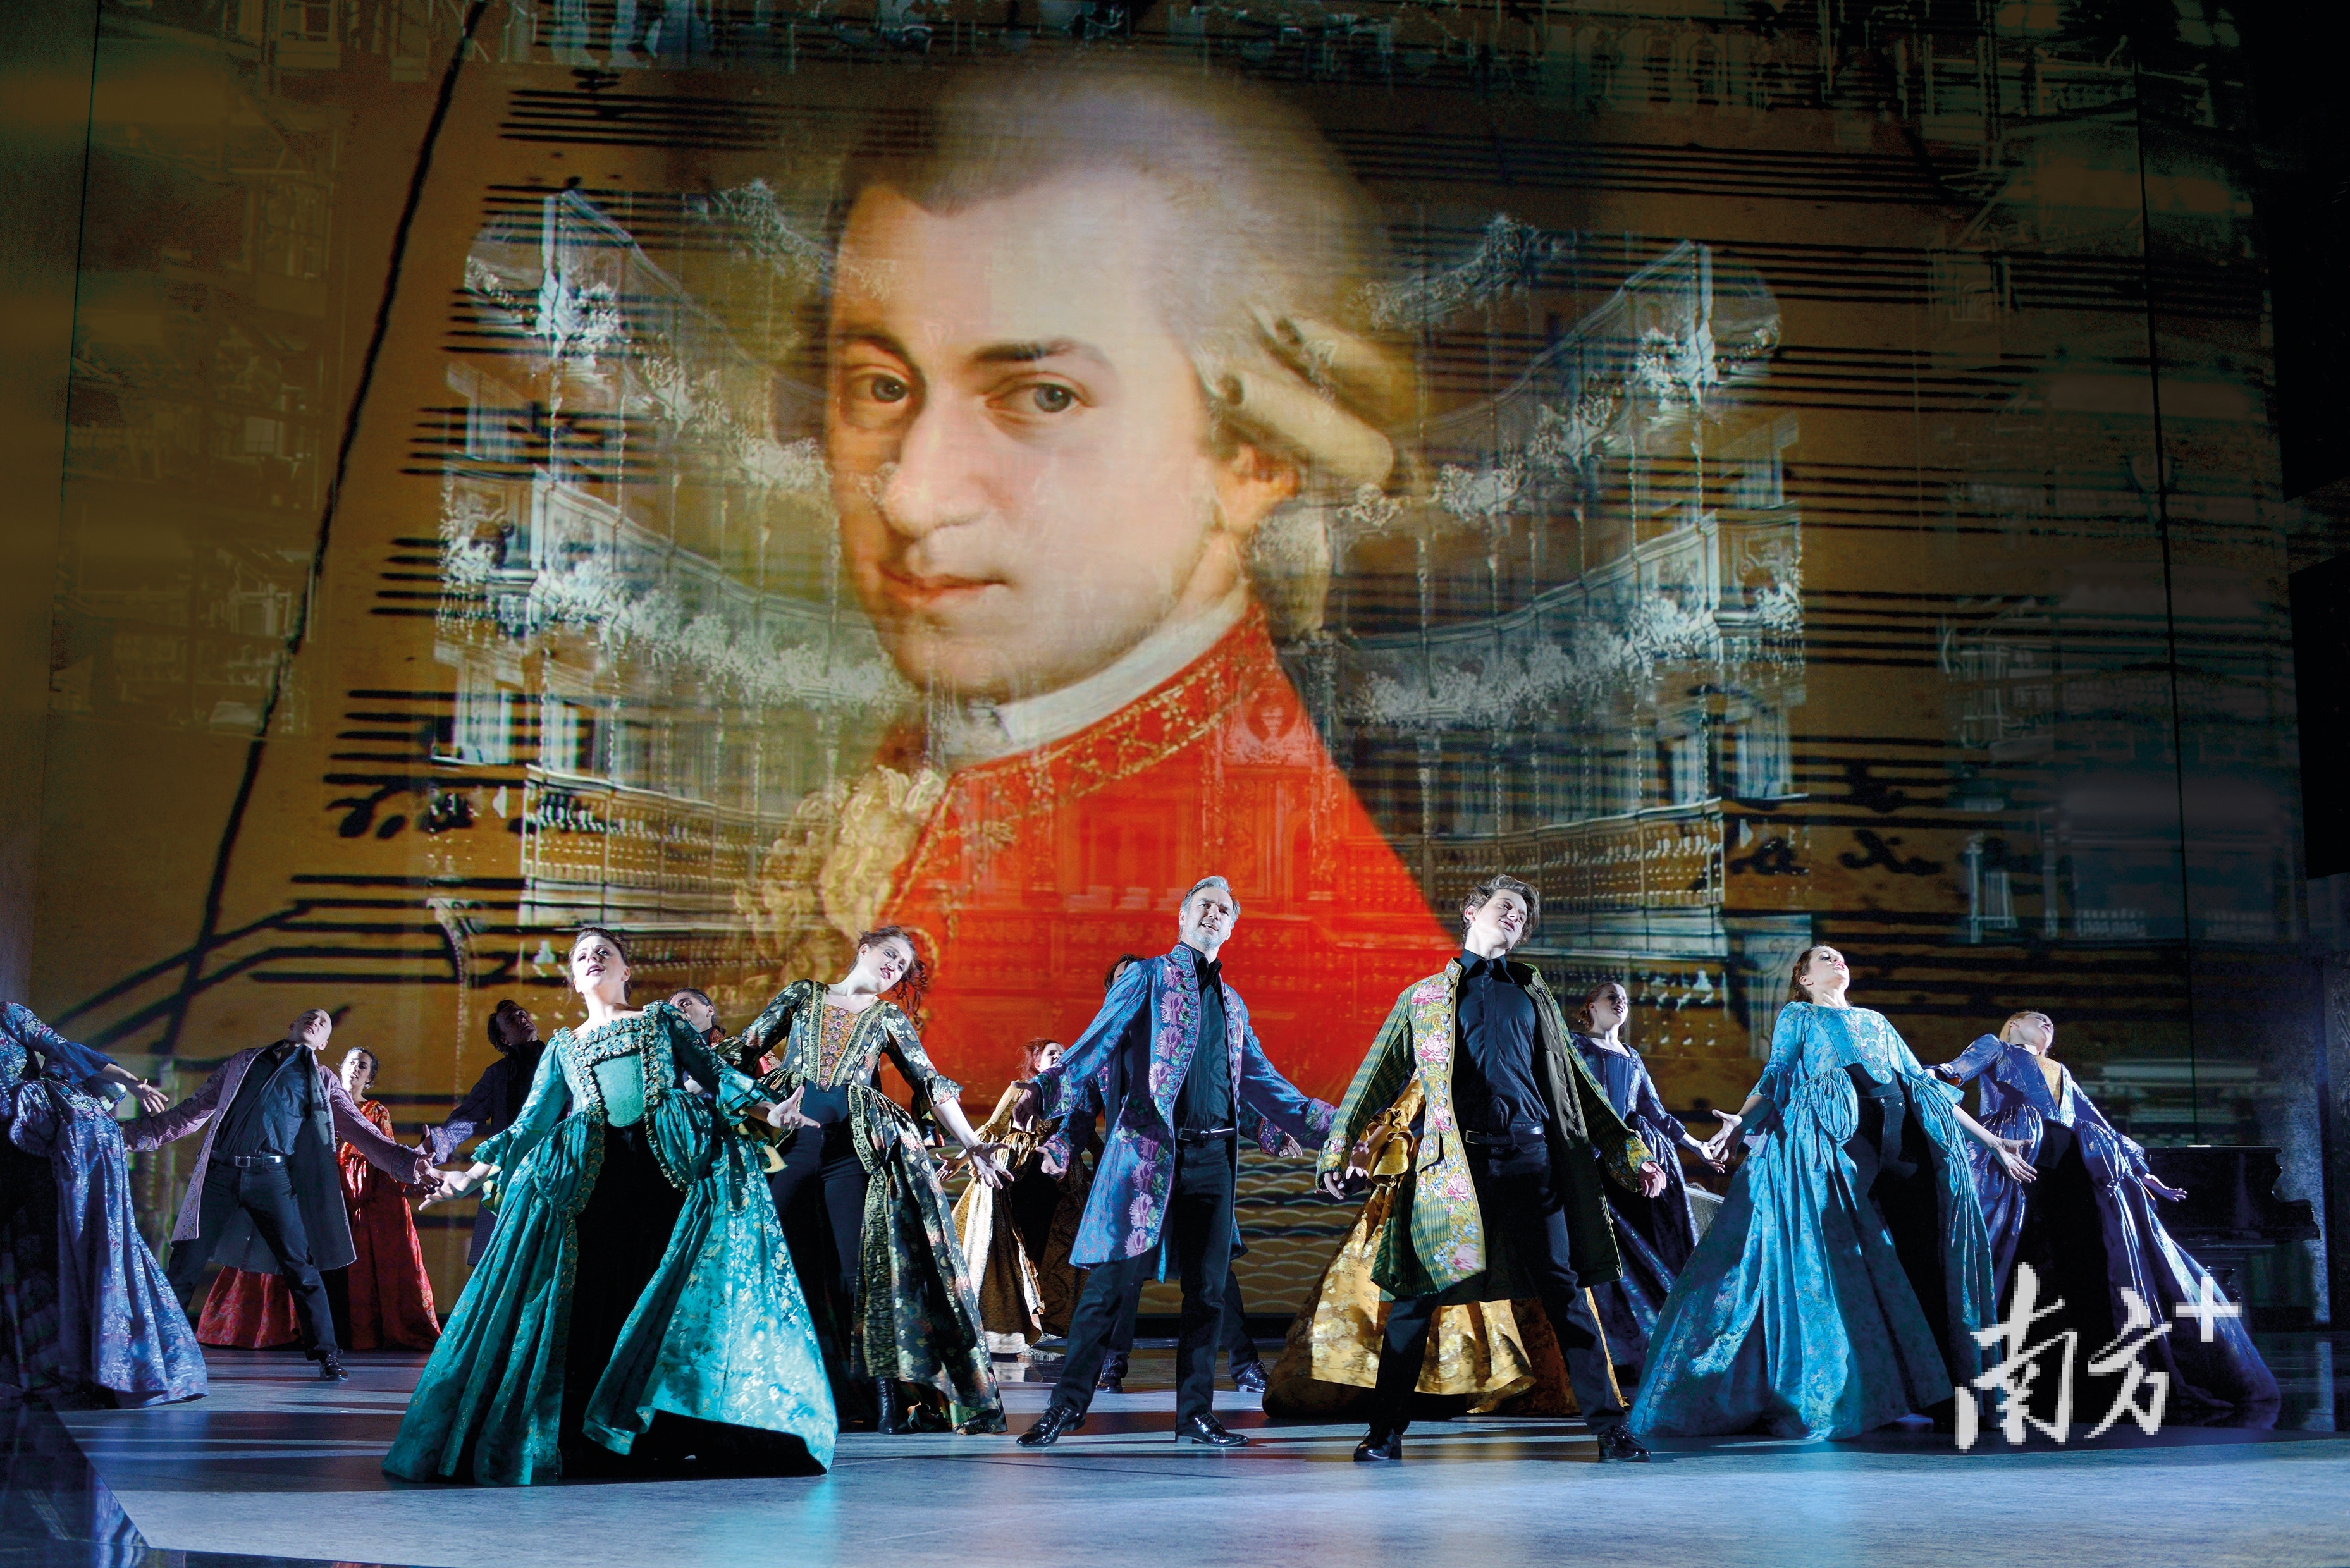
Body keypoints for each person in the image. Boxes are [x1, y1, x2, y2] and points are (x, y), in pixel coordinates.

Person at [742, 60, 1452, 1109]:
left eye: (1042, 397)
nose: (916, 497)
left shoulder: (1330, 962)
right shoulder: (960, 748)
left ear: (1251, 457)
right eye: (881, 386)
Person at [387, 927, 834, 1485]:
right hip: (596, 1182)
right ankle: (599, 1439)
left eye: (605, 952)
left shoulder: (660, 1020)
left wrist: (771, 1111)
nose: (593, 958)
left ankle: (674, 1432)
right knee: (600, 1302)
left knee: (669, 1298)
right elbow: (528, 1127)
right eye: (583, 955)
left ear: (626, 971)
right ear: (574, 979)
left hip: (670, 1174)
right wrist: (468, 1179)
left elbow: (716, 1076)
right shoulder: (563, 1047)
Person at [1319, 874, 1667, 1465]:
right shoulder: (1424, 999)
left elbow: (1579, 1086)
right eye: (1506, 906)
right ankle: (1384, 1433)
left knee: (1566, 1297)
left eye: (1522, 915)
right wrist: (1338, 1146)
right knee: (1415, 1300)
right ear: (1472, 911)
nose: (1515, 917)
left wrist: (1631, 1153)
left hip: (1532, 1163)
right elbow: (1374, 1076)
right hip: (1450, 1168)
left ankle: (1611, 1431)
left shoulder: (1534, 997)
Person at [1632, 946, 2030, 1440]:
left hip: (1906, 1138)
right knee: (1840, 1264)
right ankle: (1850, 1392)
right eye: (1824, 958)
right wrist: (1741, 1122)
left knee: (1924, 1258)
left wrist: (1991, 1142)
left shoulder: (1876, 1021)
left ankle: (1950, 1396)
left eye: (1840, 957)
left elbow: (1926, 1087)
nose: (1837, 961)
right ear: (1803, 978)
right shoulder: (1799, 1016)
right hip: (1839, 1142)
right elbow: (1776, 1078)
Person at [1014, 876, 1334, 1449]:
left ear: (1232, 926)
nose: (1213, 914)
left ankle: (1196, 1415)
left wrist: (1337, 1128)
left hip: (1213, 1159)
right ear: (1182, 916)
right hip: (1145, 1153)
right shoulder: (1148, 977)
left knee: (1207, 1294)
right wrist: (1045, 1088)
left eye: (1224, 909)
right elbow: (1097, 1040)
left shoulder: (1233, 1005)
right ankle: (1066, 1407)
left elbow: (1262, 1085)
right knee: (1108, 1288)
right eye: (1204, 905)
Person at [734, 926, 1009, 1435]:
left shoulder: (887, 1018)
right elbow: (744, 1050)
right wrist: (702, 1081)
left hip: (853, 1153)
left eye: (902, 965)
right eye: (890, 955)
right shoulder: (804, 995)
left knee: (857, 1274)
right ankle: (784, 1392)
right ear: (864, 950)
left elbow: (929, 1081)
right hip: (790, 1144)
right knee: (778, 1262)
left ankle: (883, 1402)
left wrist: (973, 1143)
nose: (894, 967)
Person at [1935, 1012, 2278, 1418]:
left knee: (2071, 1261)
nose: (2047, 1024)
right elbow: (1945, 1077)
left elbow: (2092, 1119)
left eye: (2051, 1022)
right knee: (2012, 1252)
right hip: (2016, 1155)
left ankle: (2071, 1375)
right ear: (2014, 1025)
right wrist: (1986, 1136)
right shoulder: (1996, 1047)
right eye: (2037, 1018)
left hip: (2069, 1161)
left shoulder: (2060, 1070)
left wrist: (2144, 1173)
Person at [127, 1009, 432, 1381]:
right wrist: (126, 1137)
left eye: (323, 1023)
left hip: (271, 1176)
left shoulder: (322, 1079)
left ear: (324, 1043)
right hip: (221, 1173)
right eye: (310, 1017)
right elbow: (191, 1111)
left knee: (300, 1265)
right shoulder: (245, 1062)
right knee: (186, 1261)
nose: (315, 1022)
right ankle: (156, 1349)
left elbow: (360, 1131)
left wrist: (410, 1163)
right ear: (292, 1025)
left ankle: (327, 1354)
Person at [1260, 1075, 1574, 1421]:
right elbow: (1401, 1092)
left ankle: (1428, 1396)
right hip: (1428, 1168)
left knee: (1453, 1287)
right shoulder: (1425, 1043)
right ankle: (1397, 1410)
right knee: (1410, 1291)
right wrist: (1357, 1147)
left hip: (1491, 1167)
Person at [1081, 954, 1267, 1396]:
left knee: (1213, 1274)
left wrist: (1270, 1131)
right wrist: (1057, 1147)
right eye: (1124, 983)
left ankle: (1245, 1365)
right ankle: (1111, 1364)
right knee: (1122, 1271)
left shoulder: (1178, 1041)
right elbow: (1081, 1107)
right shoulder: (1105, 1050)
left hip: (1191, 1165)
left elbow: (1226, 1092)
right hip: (1135, 1173)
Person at [0, 1005, 203, 1408]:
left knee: (66, 1251)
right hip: (11, 1152)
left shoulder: (6, 1013)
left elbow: (63, 1048)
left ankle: (103, 1366)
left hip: (32, 1147)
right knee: (20, 1257)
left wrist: (132, 1083)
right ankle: (41, 1364)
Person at [197, 1047, 441, 1352]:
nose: (356, 1068)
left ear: (369, 1078)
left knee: (340, 1264)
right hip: (310, 1187)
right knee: (294, 1255)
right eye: (352, 1062)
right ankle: (290, 1327)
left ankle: (337, 1335)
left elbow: (382, 1149)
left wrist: (408, 1173)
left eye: (363, 1066)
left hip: (353, 1194)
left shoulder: (375, 1111)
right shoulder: (316, 1100)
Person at [1568, 981, 1727, 1384]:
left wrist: (1697, 1146)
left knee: (1646, 1252)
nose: (1620, 1002)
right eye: (1611, 997)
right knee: (1605, 1250)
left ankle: (1649, 1341)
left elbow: (1653, 1110)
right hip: (1592, 1159)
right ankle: (1609, 1348)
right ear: (1591, 1006)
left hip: (1634, 1162)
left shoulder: (1632, 1056)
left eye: (1624, 998)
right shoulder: (1573, 1046)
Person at [954, 1037, 1092, 1354]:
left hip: (1058, 1183)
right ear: (1037, 1062)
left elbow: (1087, 1137)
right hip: (1018, 1177)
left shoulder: (1075, 1093)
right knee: (1017, 1247)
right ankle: (1015, 1320)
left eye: (1063, 1053)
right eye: (1051, 1053)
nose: (1059, 1057)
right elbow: (991, 1129)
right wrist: (960, 1160)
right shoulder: (1020, 1090)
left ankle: (1049, 1319)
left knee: (1052, 1248)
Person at [420, 1000, 550, 1266]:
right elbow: (468, 1117)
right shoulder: (499, 1074)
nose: (522, 1019)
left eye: (522, 1014)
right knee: (501, 1262)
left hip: (555, 1168)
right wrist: (434, 1144)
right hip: (505, 1175)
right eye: (512, 1020)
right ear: (504, 1039)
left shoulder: (558, 1061)